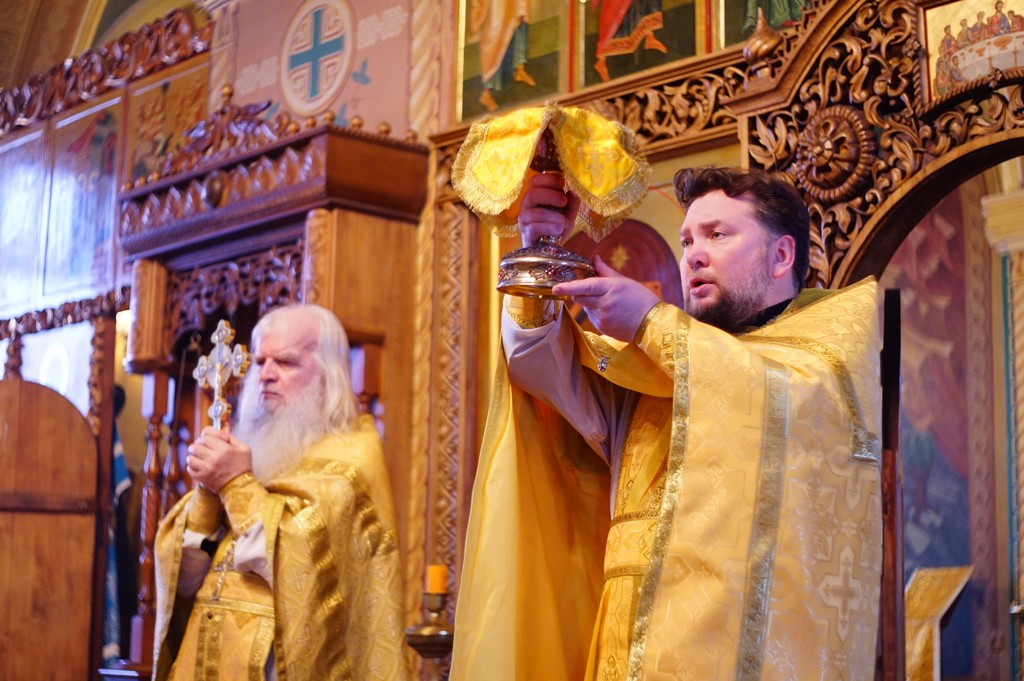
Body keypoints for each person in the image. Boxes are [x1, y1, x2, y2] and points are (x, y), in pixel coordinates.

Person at [453, 166, 883, 680]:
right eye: (686, 240)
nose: (694, 254)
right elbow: (539, 367)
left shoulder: (827, 358)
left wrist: (652, 322)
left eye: (717, 235)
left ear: (781, 256)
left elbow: (784, 403)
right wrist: (540, 250)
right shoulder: (653, 367)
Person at [152, 304, 409, 681]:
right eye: (260, 361)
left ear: (328, 374)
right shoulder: (250, 448)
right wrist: (207, 494)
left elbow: (301, 567)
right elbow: (186, 578)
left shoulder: (352, 459)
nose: (266, 375)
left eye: (286, 362)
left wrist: (235, 484)